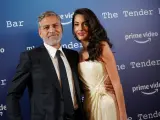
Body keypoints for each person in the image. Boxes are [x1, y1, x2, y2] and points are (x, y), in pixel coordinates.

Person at [6, 11, 85, 120]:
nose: (52, 30)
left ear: (61, 28)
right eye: (46, 27)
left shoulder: (73, 55)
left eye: (55, 25)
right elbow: (13, 94)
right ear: (40, 32)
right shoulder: (30, 57)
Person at [72, 8, 127, 120]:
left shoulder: (102, 47)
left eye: (85, 24)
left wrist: (123, 114)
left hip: (106, 104)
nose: (80, 28)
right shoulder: (78, 54)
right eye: (76, 24)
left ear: (91, 25)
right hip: (88, 106)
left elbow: (116, 84)